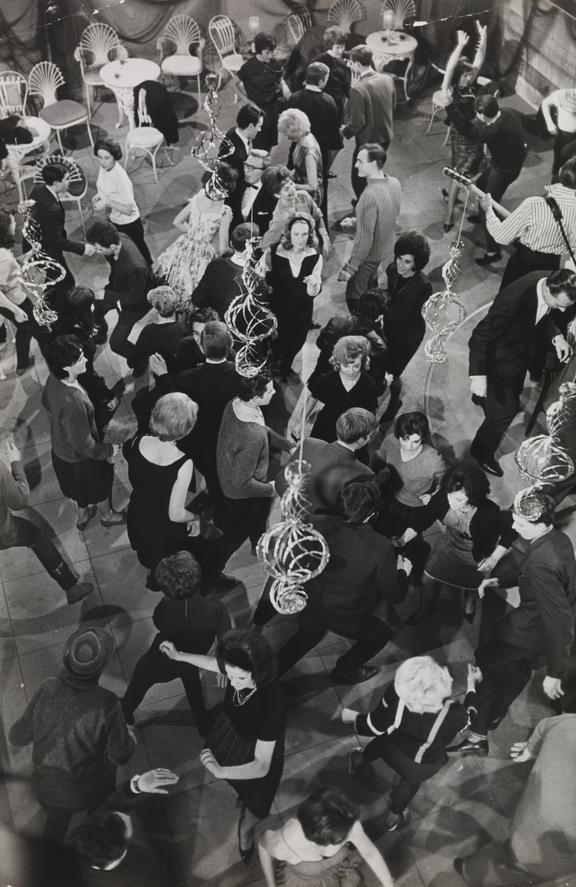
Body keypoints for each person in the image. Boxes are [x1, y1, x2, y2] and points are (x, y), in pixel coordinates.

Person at [451, 487, 576, 757]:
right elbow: (535, 578)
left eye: (521, 523)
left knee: (487, 664)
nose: (514, 527)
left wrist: (555, 672)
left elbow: (560, 619)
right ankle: (495, 713)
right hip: (537, 639)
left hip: (525, 630)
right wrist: (501, 580)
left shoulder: (543, 561)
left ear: (542, 523)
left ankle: (477, 733)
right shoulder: (557, 540)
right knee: (519, 670)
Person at [256, 478, 411, 685]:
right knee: (380, 634)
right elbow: (395, 595)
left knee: (306, 636)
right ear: (372, 514)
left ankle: (266, 678)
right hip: (348, 614)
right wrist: (403, 573)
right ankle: (343, 672)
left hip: (312, 599)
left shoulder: (315, 521)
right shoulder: (381, 548)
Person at [161, 628, 286, 863]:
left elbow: (261, 765)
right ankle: (242, 793)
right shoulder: (235, 669)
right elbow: (213, 663)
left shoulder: (273, 702)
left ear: (258, 672)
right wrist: (180, 655)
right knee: (241, 784)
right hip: (230, 730)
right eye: (229, 675)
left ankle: (245, 831)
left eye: (241, 678)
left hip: (258, 749)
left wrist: (221, 771)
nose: (233, 683)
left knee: (258, 805)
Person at [9, 626, 135, 840]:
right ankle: (97, 831)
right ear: (100, 669)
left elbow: (17, 736)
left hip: (45, 788)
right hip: (86, 791)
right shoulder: (107, 703)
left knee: (56, 824)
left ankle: (50, 860)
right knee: (106, 779)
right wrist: (130, 738)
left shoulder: (47, 688)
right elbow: (119, 755)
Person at [341, 656, 482, 831]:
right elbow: (471, 715)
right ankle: (392, 818)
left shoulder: (397, 697)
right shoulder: (455, 714)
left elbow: (374, 727)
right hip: (420, 765)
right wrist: (471, 684)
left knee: (379, 743)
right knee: (408, 786)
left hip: (391, 747)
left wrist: (353, 717)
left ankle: (358, 761)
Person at [468, 268, 576, 477]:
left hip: (517, 354)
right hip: (496, 359)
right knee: (506, 412)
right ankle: (480, 451)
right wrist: (478, 375)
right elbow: (479, 336)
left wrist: (557, 337)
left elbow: (542, 318)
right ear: (547, 292)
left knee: (514, 389)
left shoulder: (550, 280)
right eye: (560, 305)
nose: (562, 311)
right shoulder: (511, 300)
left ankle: (483, 399)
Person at [454, 713, 576, 885]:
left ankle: (469, 868)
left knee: (504, 849)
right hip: (544, 855)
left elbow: (546, 725)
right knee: (511, 868)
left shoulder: (570, 724)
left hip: (527, 815)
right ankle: (474, 872)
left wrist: (530, 749)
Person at [122, 551, 230, 733]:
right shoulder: (217, 608)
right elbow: (226, 637)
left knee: (140, 680)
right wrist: (222, 661)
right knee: (194, 690)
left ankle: (125, 712)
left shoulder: (164, 610)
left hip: (163, 659)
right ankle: (203, 726)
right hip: (192, 658)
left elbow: (158, 623)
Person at [397, 460, 513, 625]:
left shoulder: (489, 512)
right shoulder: (443, 497)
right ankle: (423, 610)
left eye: (458, 499)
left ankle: (469, 602)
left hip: (477, 554)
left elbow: (510, 532)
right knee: (427, 579)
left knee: (472, 585)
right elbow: (423, 519)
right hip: (449, 545)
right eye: (449, 495)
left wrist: (494, 558)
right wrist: (403, 539)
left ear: (473, 497)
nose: (451, 501)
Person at [212, 373, 292, 582]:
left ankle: (259, 544)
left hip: (238, 481)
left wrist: (287, 445)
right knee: (233, 537)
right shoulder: (251, 436)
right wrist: (273, 488)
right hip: (241, 494)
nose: (276, 392)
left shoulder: (236, 404)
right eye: (271, 390)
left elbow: (262, 428)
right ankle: (211, 573)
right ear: (256, 397)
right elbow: (242, 482)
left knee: (258, 518)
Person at [42, 335, 124, 531]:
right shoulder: (73, 402)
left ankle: (83, 514)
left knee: (79, 490)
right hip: (81, 461)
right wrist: (109, 450)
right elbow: (86, 445)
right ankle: (108, 515)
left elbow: (46, 404)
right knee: (98, 487)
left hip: (62, 453)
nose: (86, 360)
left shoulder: (53, 380)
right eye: (79, 359)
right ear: (66, 367)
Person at [0, 436, 93, 605]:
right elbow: (20, 501)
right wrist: (16, 464)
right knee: (37, 537)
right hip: (4, 531)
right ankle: (71, 588)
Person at [123, 393, 201, 589]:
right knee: (165, 559)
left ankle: (151, 573)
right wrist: (195, 517)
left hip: (138, 512)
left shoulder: (136, 442)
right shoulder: (184, 463)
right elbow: (175, 514)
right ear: (185, 430)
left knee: (147, 552)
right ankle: (159, 581)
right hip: (163, 526)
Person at [258, 787, 395, 887]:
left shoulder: (348, 825)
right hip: (307, 881)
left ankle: (391, 797)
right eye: (341, 839)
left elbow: (370, 853)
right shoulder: (284, 842)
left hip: (334, 868)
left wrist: (388, 884)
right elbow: (262, 845)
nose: (348, 839)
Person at [450, 94, 527, 266]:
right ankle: (481, 215)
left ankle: (493, 251)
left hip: (504, 169)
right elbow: (525, 121)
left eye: (477, 115)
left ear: (483, 115)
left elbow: (468, 130)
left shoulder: (494, 130)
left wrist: (450, 106)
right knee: (481, 184)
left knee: (488, 207)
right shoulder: (509, 111)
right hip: (506, 162)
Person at [479, 155, 576, 291]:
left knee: (510, 300)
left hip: (524, 264)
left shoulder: (535, 204)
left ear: (561, 172)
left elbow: (501, 236)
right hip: (552, 266)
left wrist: (488, 211)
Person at [372, 411, 446, 586]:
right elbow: (377, 462)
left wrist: (433, 495)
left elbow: (443, 487)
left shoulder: (434, 461)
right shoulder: (390, 441)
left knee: (400, 544)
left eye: (416, 441)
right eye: (405, 439)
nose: (409, 446)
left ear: (423, 439)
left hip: (412, 508)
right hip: (387, 498)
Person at [69, 769, 179, 887]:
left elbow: (109, 807)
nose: (126, 814)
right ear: (123, 850)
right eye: (126, 821)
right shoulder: (144, 877)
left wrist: (135, 787)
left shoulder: (76, 839)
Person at [169, 322, 238, 498]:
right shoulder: (241, 376)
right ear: (230, 345)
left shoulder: (185, 379)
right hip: (232, 435)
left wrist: (163, 377)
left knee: (210, 471)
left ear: (201, 347)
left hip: (201, 437)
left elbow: (179, 407)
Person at [152, 163, 237, 303]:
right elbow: (223, 249)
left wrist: (192, 234)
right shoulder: (225, 211)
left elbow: (177, 222)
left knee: (174, 280)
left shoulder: (199, 197)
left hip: (183, 244)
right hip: (203, 254)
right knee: (192, 290)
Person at [337, 144, 401, 315]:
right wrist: (359, 221)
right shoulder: (394, 183)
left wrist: (350, 269)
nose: (355, 165)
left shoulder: (369, 195)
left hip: (368, 258)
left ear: (373, 164)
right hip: (386, 251)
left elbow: (364, 241)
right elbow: (391, 214)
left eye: (360, 161)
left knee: (355, 299)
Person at [276, 407, 377, 513]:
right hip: (323, 525)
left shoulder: (309, 443)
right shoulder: (364, 474)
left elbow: (281, 483)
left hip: (291, 513)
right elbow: (350, 512)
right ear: (361, 439)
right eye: (370, 436)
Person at [26, 163, 97, 312]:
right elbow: (55, 240)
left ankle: (49, 306)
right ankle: (61, 311)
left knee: (55, 280)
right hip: (47, 250)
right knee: (65, 280)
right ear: (57, 184)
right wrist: (81, 248)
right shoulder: (52, 209)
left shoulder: (38, 190)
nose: (69, 181)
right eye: (67, 179)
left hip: (39, 243)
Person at [263, 213, 323, 379]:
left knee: (295, 342)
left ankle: (285, 367)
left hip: (301, 311)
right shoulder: (275, 251)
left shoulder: (315, 257)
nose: (300, 239)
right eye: (296, 234)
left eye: (304, 234)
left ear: (310, 234)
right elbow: (263, 277)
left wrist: (313, 284)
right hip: (277, 308)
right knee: (274, 343)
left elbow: (313, 293)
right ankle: (269, 367)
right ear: (289, 233)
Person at [441, 24, 488, 232]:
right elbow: (450, 68)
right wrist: (460, 46)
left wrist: (483, 37)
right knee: (457, 175)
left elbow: (480, 59)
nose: (470, 77)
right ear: (457, 77)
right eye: (466, 75)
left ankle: (476, 207)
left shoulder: (469, 85)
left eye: (469, 75)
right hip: (462, 140)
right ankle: (450, 213)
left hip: (476, 135)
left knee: (474, 172)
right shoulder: (450, 91)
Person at [380, 232, 433, 419]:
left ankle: (394, 403)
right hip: (389, 327)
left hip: (407, 336)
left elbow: (422, 314)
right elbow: (390, 293)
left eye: (407, 262)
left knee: (393, 372)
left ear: (417, 263)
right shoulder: (392, 269)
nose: (401, 265)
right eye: (399, 258)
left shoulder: (423, 286)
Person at [85, 220, 153, 363]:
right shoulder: (119, 236)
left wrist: (108, 296)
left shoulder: (135, 267)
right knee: (97, 307)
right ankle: (101, 332)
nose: (97, 252)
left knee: (116, 343)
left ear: (113, 246)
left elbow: (136, 297)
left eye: (99, 249)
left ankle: (139, 359)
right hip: (120, 285)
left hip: (135, 304)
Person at [293, 336, 379, 443]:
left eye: (356, 366)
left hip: (352, 431)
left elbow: (371, 411)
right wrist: (300, 423)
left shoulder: (369, 384)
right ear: (337, 363)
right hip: (325, 427)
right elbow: (313, 399)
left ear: (363, 363)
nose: (351, 371)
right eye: (346, 366)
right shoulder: (327, 380)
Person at [341, 45, 394, 202]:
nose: (350, 66)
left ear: (357, 63)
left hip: (367, 142)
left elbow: (358, 122)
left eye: (351, 63)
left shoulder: (357, 89)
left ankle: (364, 205)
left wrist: (345, 132)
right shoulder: (388, 79)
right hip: (386, 136)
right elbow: (392, 106)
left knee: (358, 176)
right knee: (376, 171)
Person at [288, 62, 342, 216]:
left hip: (296, 150)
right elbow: (334, 139)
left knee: (294, 190)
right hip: (319, 153)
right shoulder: (328, 101)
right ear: (321, 81)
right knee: (318, 192)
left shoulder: (294, 98)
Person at [0, 208, 49, 374]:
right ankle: (59, 368)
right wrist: (16, 311)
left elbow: (12, 265)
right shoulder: (3, 257)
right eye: (13, 222)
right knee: (42, 332)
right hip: (15, 300)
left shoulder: (4, 255)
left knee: (24, 328)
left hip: (11, 300)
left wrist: (31, 253)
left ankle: (22, 364)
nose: (16, 225)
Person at [92, 138, 152, 264]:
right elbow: (108, 187)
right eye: (99, 157)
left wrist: (106, 202)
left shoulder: (121, 178)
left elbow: (128, 210)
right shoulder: (105, 168)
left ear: (114, 157)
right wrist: (100, 194)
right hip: (115, 218)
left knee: (140, 251)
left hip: (129, 223)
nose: (102, 162)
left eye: (107, 158)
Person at [192, 222, 259, 318]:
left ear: (231, 244)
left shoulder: (215, 265)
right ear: (253, 246)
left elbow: (198, 299)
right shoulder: (256, 275)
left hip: (214, 323)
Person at [237, 32, 290, 152]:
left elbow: (279, 77)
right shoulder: (249, 67)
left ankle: (265, 160)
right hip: (257, 109)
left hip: (272, 108)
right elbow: (232, 83)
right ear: (259, 51)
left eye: (272, 52)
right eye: (267, 53)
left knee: (270, 141)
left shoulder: (274, 63)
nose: (270, 56)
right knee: (259, 144)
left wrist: (284, 85)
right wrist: (245, 99)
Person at [260, 166, 330, 255]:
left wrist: (325, 238)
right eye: (286, 189)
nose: (292, 190)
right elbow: (266, 245)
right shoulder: (280, 219)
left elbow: (318, 217)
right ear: (277, 194)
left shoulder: (303, 196)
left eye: (291, 183)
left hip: (313, 250)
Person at [220, 104, 264, 228]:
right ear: (250, 126)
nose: (260, 130)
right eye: (259, 126)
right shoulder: (235, 155)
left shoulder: (234, 132)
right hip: (234, 200)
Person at [126, 285, 186, 375]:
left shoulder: (150, 331)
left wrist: (132, 362)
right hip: (181, 369)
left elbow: (135, 358)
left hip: (163, 372)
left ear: (156, 310)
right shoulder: (183, 323)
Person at [278, 108, 324, 208]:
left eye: (286, 132)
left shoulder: (309, 154)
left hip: (309, 198)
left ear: (294, 130)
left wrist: (290, 186)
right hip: (300, 189)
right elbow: (302, 168)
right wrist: (290, 173)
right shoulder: (304, 137)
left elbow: (312, 187)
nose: (285, 135)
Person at [310, 27, 351, 118]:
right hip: (326, 103)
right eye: (337, 47)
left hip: (342, 100)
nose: (341, 50)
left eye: (343, 46)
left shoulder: (347, 56)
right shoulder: (319, 61)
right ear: (330, 45)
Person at [541, 86, 576, 182]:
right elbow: (545, 103)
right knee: (559, 161)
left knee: (571, 165)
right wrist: (549, 123)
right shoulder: (562, 94)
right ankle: (556, 182)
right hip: (563, 136)